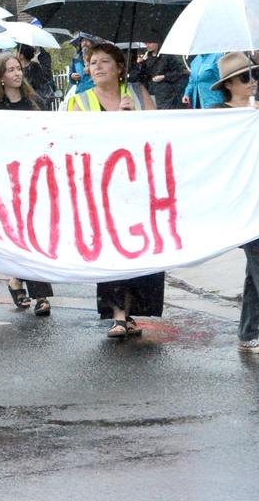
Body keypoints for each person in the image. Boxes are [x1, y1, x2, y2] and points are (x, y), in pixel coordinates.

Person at [65, 42, 159, 338]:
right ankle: (117, 314)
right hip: (102, 188)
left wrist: (135, 119)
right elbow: (74, 143)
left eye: (105, 61)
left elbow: (160, 132)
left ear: (120, 68)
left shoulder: (139, 95)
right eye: (93, 62)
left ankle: (132, 312)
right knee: (113, 250)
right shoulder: (79, 103)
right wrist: (113, 120)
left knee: (141, 247)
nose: (97, 67)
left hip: (138, 185)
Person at [202, 53, 259, 353]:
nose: (252, 81)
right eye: (245, 77)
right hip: (243, 203)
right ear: (228, 83)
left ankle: (247, 333)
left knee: (257, 270)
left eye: (255, 74)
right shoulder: (219, 115)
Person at [0, 52, 55, 316]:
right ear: (0, 78)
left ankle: (29, 287)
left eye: (18, 69)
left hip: (35, 175)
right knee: (20, 235)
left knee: (36, 233)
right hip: (9, 180)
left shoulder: (34, 102)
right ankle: (26, 285)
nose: (17, 73)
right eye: (11, 70)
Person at [137, 42, 188, 110]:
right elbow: (143, 76)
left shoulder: (167, 55)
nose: (147, 45)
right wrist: (141, 63)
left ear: (156, 42)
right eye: (146, 43)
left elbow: (178, 72)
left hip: (167, 94)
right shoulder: (147, 57)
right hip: (152, 93)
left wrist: (164, 77)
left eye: (150, 43)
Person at [16, 44, 56, 108]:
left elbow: (33, 86)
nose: (15, 54)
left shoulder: (34, 67)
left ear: (21, 55)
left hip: (40, 103)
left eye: (17, 51)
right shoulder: (20, 69)